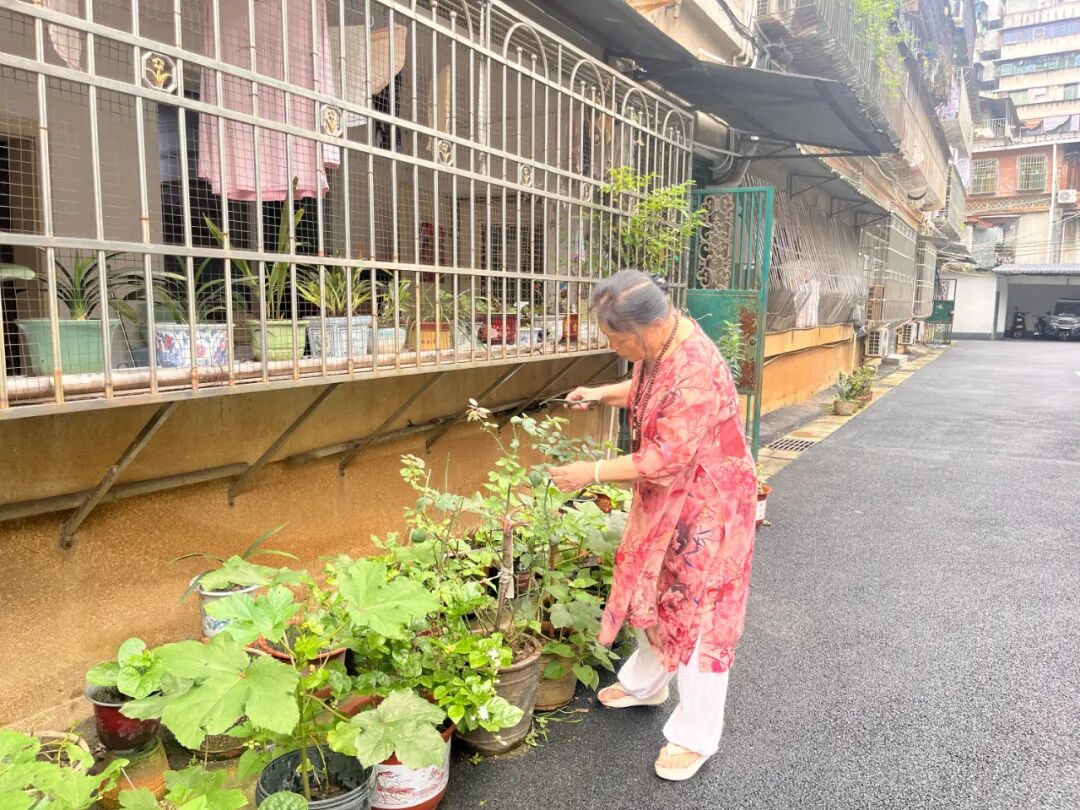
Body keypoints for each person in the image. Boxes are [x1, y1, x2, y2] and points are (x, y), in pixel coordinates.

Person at [549, 269, 757, 781]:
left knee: (699, 614)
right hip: (671, 498)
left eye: (617, 338)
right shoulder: (662, 344)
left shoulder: (696, 366)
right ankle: (647, 684)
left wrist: (592, 472)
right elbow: (650, 389)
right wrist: (601, 393)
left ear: (650, 326)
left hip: (709, 508)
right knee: (652, 588)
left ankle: (695, 735)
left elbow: (667, 456)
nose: (613, 346)